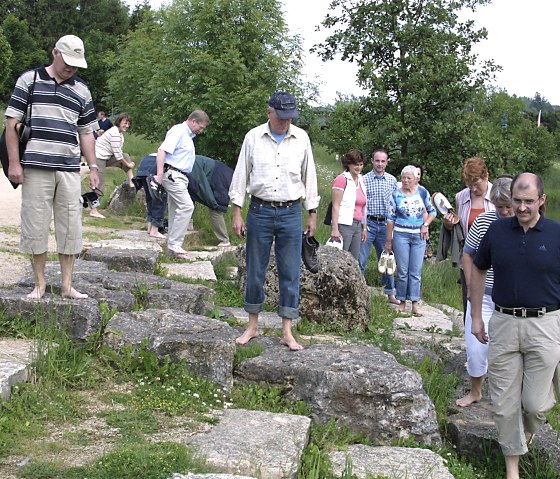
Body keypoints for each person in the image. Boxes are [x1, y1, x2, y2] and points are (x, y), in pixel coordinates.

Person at [470, 172, 560, 479]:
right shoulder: (496, 231)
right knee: (504, 405)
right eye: (517, 201)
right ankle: (513, 470)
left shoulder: (556, 234)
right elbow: (478, 269)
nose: (522, 207)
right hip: (504, 322)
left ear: (541, 201)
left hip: (545, 324)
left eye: (528, 202)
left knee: (535, 405)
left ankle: (524, 434)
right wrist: (477, 316)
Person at [4, 34, 99, 300]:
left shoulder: (82, 89)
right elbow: (12, 124)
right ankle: (39, 284)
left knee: (71, 226)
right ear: (55, 52)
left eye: (76, 64)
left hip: (69, 167)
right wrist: (14, 163)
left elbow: (87, 132)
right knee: (35, 223)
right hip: (35, 165)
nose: (72, 68)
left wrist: (93, 167)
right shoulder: (29, 80)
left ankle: (67, 286)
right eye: (68, 61)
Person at [229, 90, 319, 351]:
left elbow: (309, 175)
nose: (286, 122)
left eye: (290, 118)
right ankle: (252, 326)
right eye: (281, 117)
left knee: (290, 271)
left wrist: (312, 212)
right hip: (260, 210)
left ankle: (287, 331)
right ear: (269, 112)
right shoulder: (253, 137)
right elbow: (241, 173)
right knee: (255, 269)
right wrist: (237, 211)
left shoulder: (301, 138)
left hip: (291, 212)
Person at [455, 175, 513, 408]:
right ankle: (476, 390)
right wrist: (471, 286)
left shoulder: (525, 226)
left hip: (513, 300)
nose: (506, 212)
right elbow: (468, 254)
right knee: (476, 348)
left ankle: (509, 399)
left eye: (509, 206)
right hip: (484, 296)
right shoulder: (483, 223)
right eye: (501, 207)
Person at [155, 109, 210, 260]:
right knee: (187, 206)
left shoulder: (188, 136)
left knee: (175, 211)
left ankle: (170, 250)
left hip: (180, 176)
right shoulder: (178, 131)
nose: (201, 130)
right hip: (173, 175)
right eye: (201, 126)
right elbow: (162, 151)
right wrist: (159, 175)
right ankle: (175, 244)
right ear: (193, 121)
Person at [443, 157, 494, 316]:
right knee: (470, 302)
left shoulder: (498, 196)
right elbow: (459, 228)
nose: (472, 189)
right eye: (469, 185)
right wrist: (449, 224)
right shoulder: (461, 197)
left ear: (486, 176)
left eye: (476, 184)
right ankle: (470, 338)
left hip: (494, 259)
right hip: (469, 259)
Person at [385, 165, 436, 316]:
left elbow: (432, 211)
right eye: (404, 178)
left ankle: (415, 302)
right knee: (402, 271)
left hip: (418, 236)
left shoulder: (422, 192)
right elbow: (390, 218)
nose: (406, 181)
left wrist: (425, 225)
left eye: (409, 178)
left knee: (415, 270)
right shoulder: (395, 195)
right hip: (401, 234)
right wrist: (389, 240)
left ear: (415, 179)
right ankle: (401, 302)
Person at [358, 149, 399, 304]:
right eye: (377, 161)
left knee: (387, 260)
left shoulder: (392, 180)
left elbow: (396, 204)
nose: (380, 164)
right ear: (372, 161)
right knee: (361, 259)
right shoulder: (364, 179)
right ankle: (359, 292)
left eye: (383, 161)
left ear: (387, 162)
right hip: (368, 223)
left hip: (385, 225)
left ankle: (390, 293)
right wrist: (363, 225)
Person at [90, 112, 134, 218]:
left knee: (126, 155)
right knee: (99, 183)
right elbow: (118, 155)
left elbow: (119, 153)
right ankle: (93, 210)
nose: (127, 126)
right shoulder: (114, 133)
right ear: (119, 122)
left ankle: (132, 182)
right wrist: (128, 164)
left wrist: (127, 163)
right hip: (98, 157)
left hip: (107, 157)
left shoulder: (120, 134)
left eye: (128, 124)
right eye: (125, 123)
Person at [187, 155, 234, 247]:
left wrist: (212, 203)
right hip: (219, 172)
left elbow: (202, 187)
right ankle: (188, 225)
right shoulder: (186, 161)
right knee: (189, 194)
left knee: (215, 209)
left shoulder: (189, 165)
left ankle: (224, 240)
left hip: (219, 176)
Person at [329, 149, 367, 260]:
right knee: (341, 257)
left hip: (358, 224)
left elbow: (363, 206)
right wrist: (335, 229)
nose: (358, 167)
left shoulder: (361, 179)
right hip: (344, 224)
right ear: (349, 164)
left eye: (360, 164)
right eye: (356, 164)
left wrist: (364, 228)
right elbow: (335, 206)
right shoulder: (342, 179)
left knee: (353, 259)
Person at [135, 153, 167, 238]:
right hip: (155, 165)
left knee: (150, 198)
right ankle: (155, 230)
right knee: (160, 198)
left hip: (145, 163)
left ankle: (150, 226)